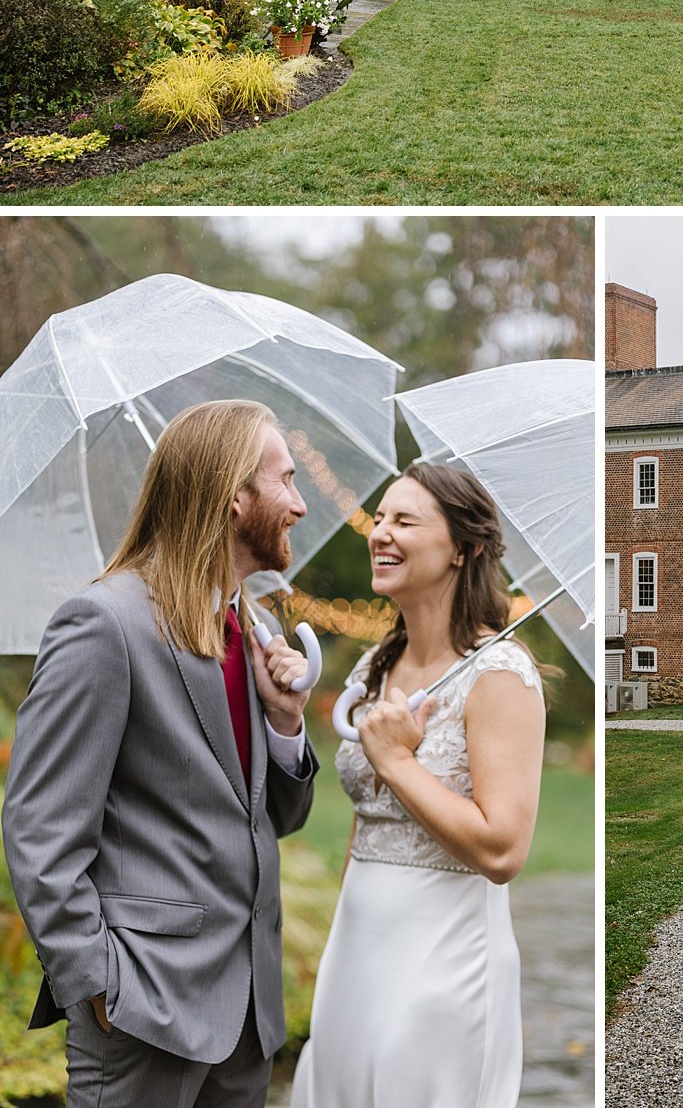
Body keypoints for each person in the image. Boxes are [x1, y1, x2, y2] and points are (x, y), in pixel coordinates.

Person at [2, 399, 319, 1108]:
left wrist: (286, 723)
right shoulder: (104, 623)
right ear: (237, 496)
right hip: (143, 1012)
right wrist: (95, 981)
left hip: (246, 1016)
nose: (299, 504)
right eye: (287, 480)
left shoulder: (259, 631)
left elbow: (280, 818)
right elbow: (40, 827)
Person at [291, 460, 547, 1108]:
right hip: (357, 948)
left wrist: (399, 764)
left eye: (404, 520)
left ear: (466, 547)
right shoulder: (379, 665)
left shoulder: (499, 676)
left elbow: (503, 851)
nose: (380, 533)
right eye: (379, 519)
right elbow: (365, 821)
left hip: (443, 957)